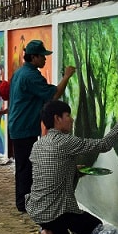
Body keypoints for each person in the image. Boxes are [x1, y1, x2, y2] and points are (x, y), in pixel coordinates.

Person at [27, 98, 118, 234]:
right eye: (68, 116)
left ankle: (47, 228)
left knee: (67, 219)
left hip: (36, 210)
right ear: (57, 118)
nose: (72, 119)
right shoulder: (65, 141)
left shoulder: (38, 144)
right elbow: (104, 145)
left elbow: (49, 172)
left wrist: (73, 170)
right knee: (96, 226)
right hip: (57, 213)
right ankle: (52, 231)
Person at [8, 40, 75, 212]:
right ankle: (23, 204)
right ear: (34, 57)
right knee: (25, 167)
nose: (45, 60)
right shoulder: (31, 76)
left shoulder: (20, 72)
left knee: (25, 166)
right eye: (42, 56)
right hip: (24, 127)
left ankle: (26, 201)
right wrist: (67, 76)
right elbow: (54, 94)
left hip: (20, 125)